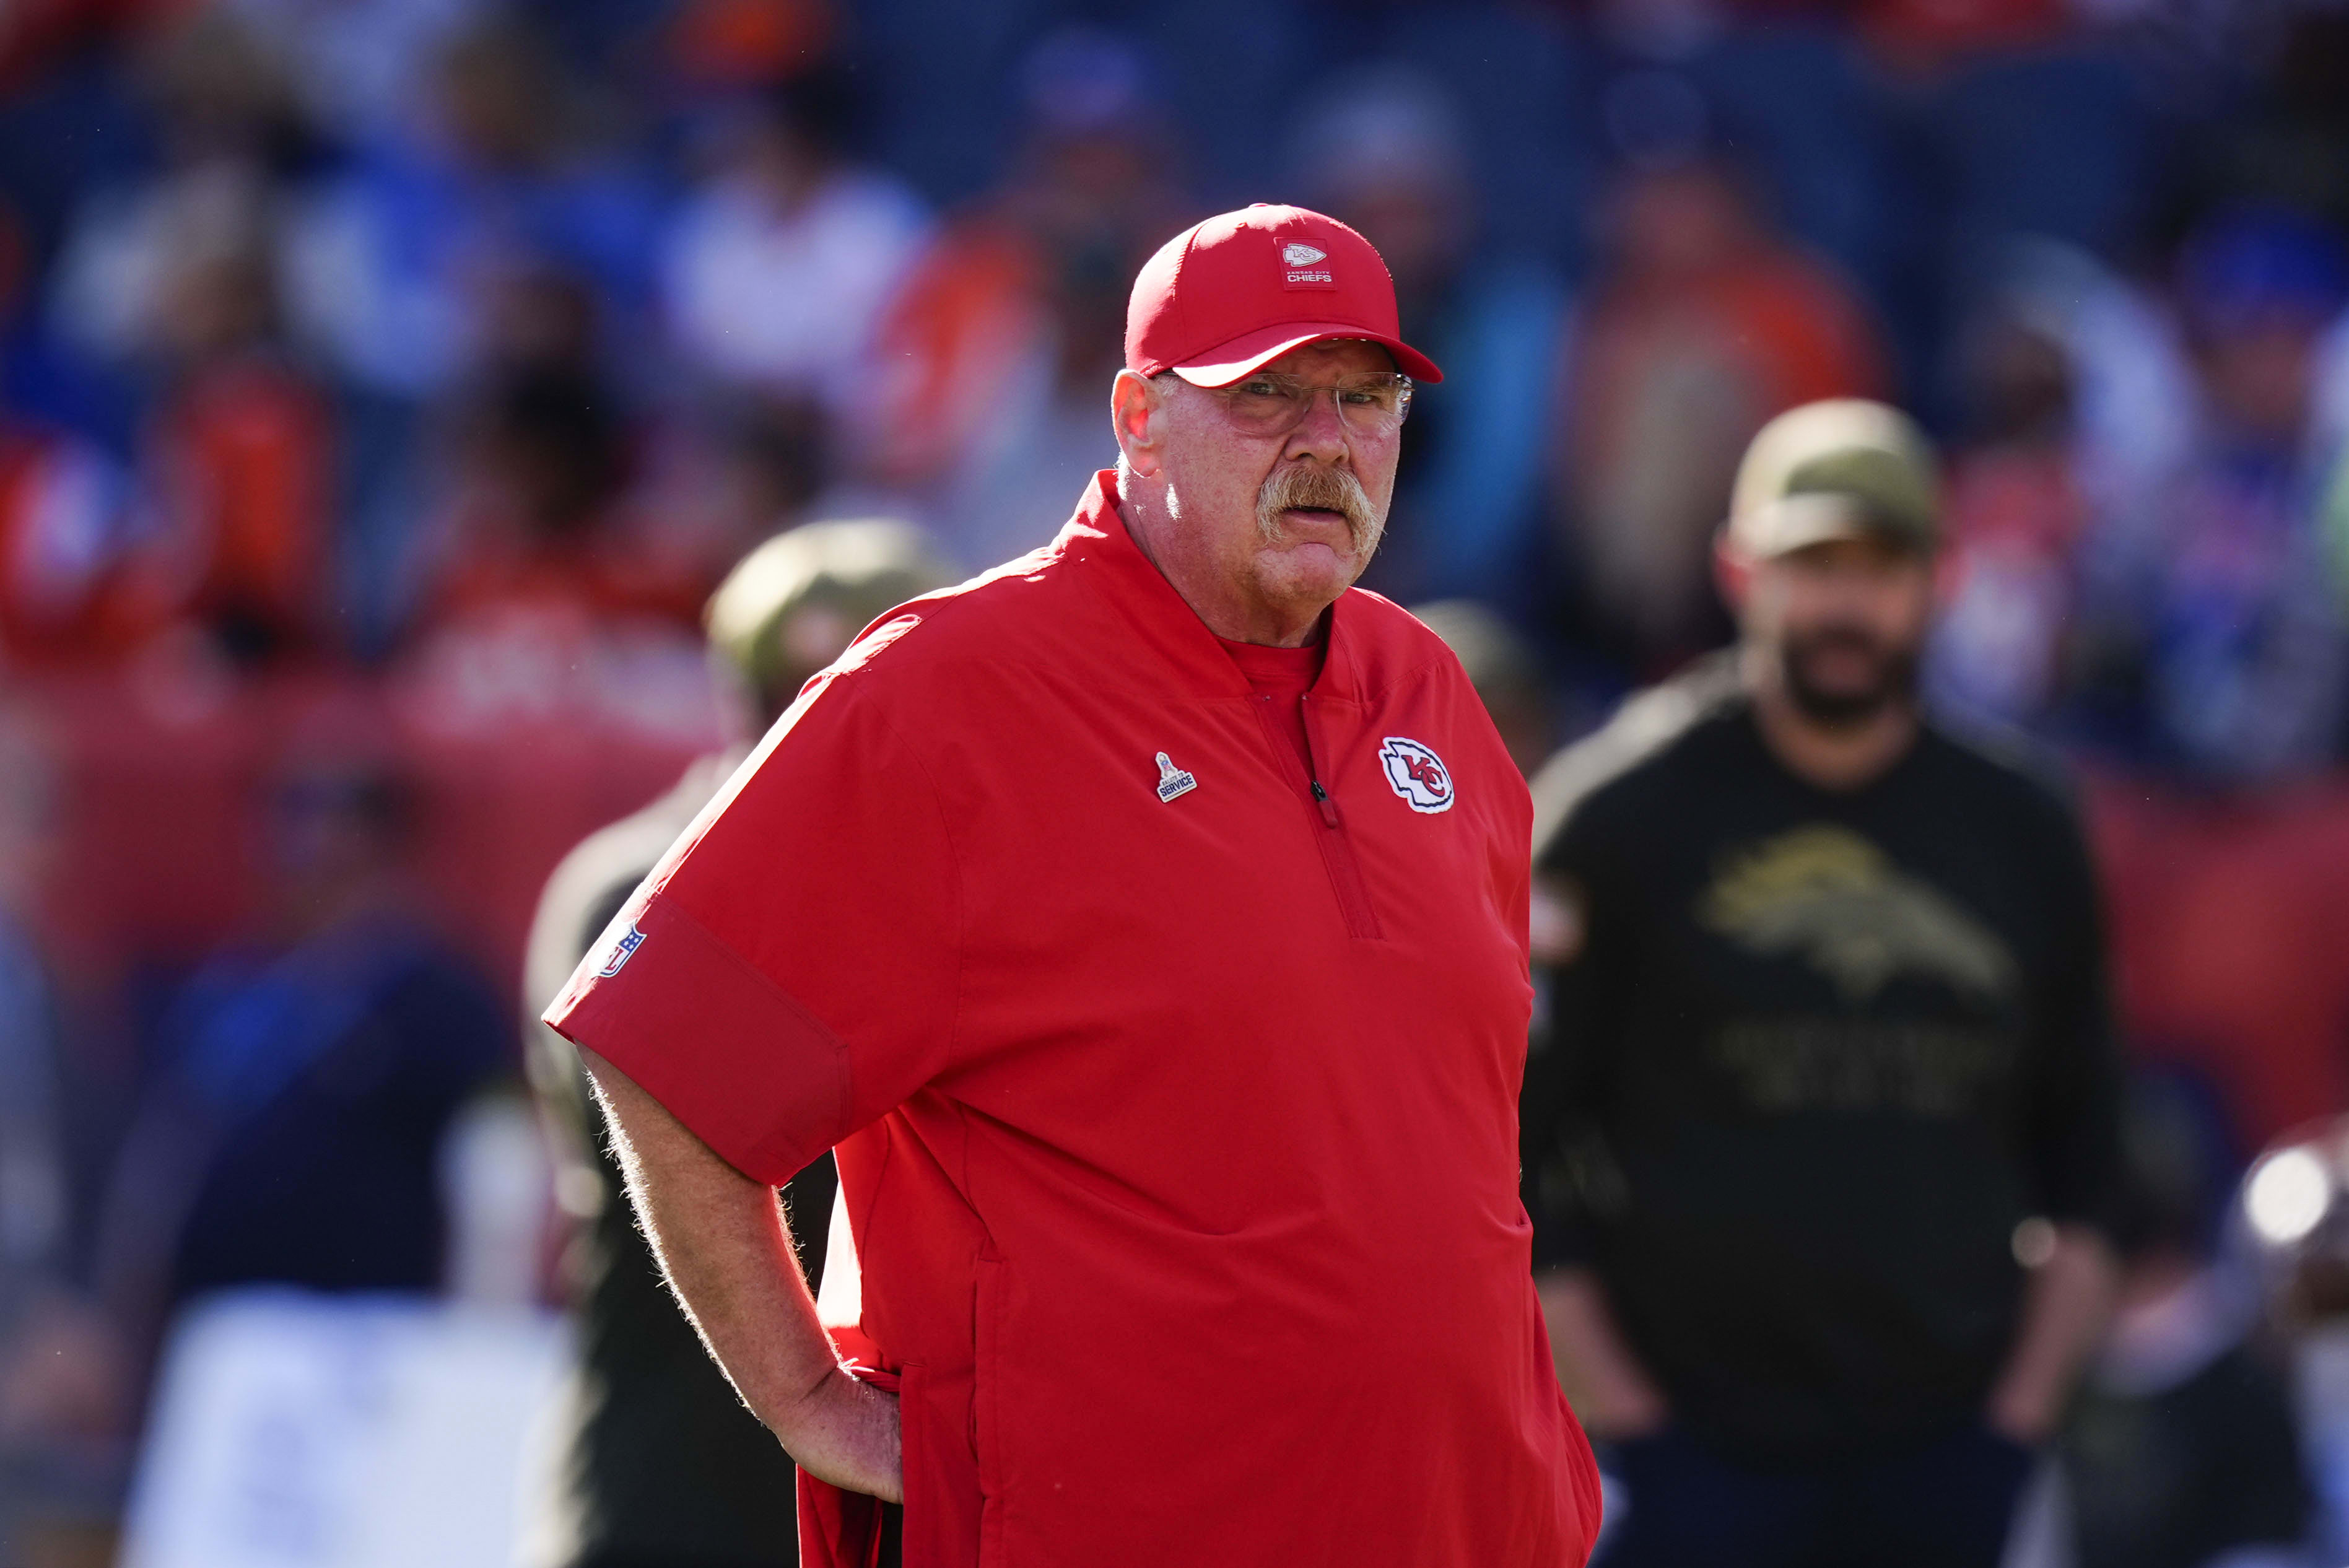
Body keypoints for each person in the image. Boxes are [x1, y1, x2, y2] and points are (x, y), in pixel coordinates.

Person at [543, 203, 1601, 1567]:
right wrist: (806, 1398)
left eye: (1364, 395)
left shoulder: (1432, 693)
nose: (1325, 441)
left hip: (1458, 1525)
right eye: (1264, 394)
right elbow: (662, 1053)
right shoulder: (950, 692)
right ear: (1137, 415)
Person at [1522, 398, 2122, 1567]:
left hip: (1947, 1448)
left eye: (1880, 564)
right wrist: (1637, 1436)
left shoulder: (2024, 829)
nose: (1845, 603)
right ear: (1737, 571)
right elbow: (1509, 1171)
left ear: (1942, 578)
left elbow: (2091, 1172)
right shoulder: (1613, 818)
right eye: (1811, 565)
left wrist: (2010, 1433)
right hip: (1684, 1453)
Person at [521, 518, 957, 1568]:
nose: (809, 731)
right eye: (786, 694)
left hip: (868, 1493)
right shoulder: (634, 893)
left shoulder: (957, 892)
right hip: (675, 1483)